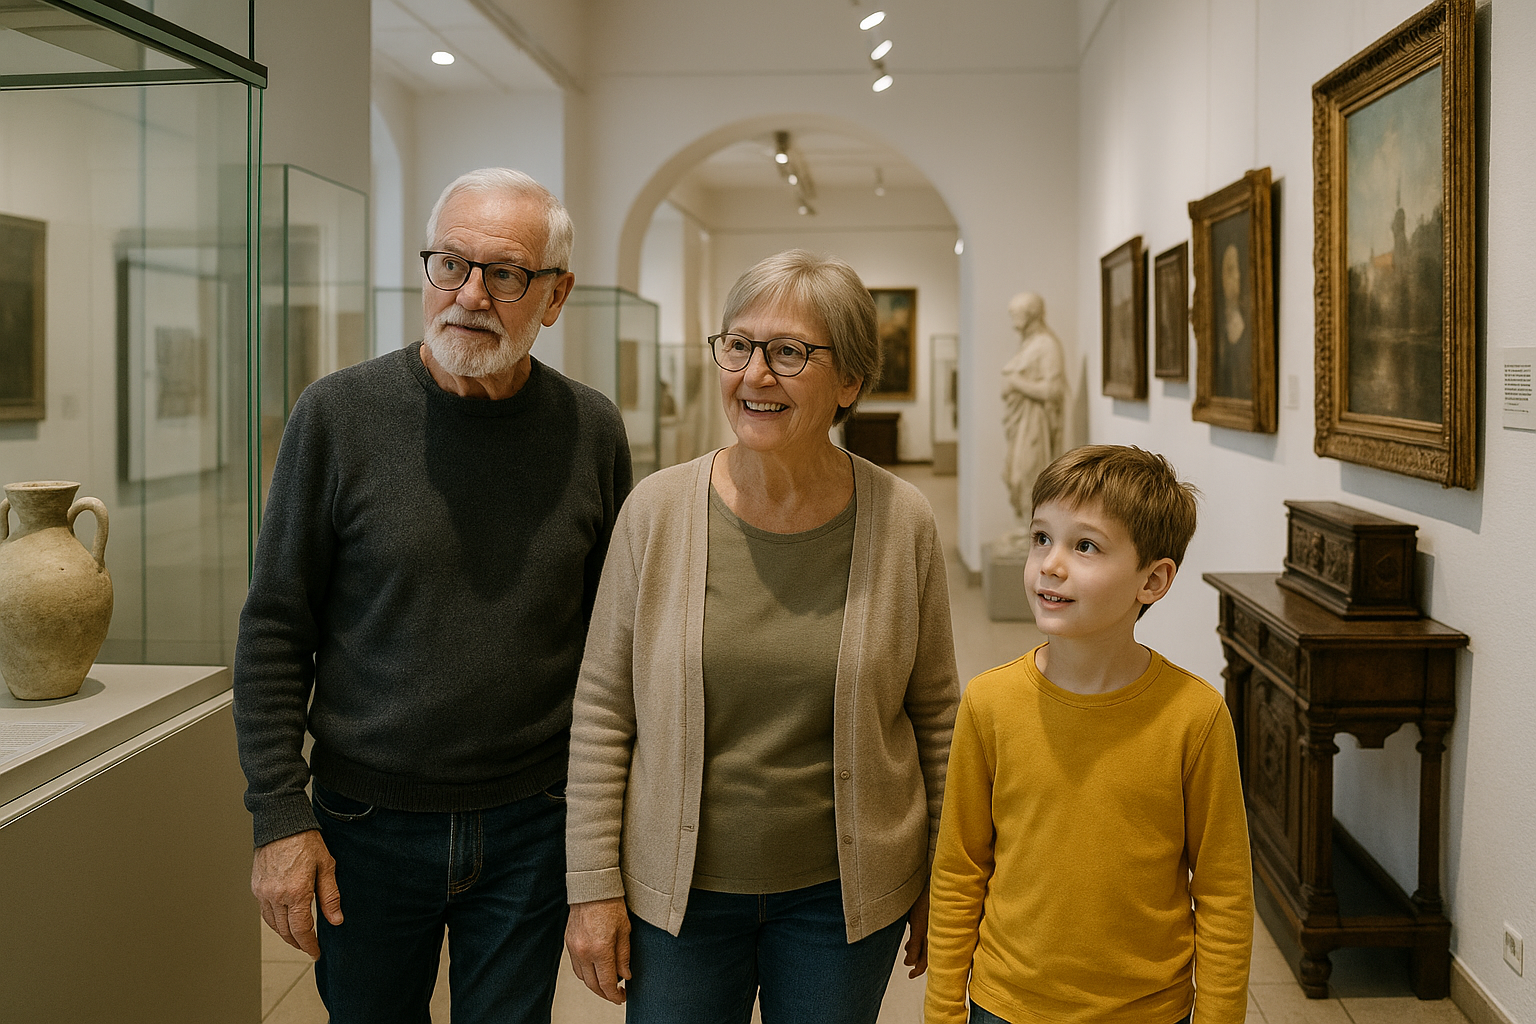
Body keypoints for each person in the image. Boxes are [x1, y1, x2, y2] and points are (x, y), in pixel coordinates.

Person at [233, 167, 631, 1024]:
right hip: (364, 823)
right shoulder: (337, 416)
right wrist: (279, 815)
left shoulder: (590, 430)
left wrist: (603, 842)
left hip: (533, 822)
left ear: (555, 297)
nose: (470, 295)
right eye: (450, 264)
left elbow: (613, 646)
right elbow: (273, 629)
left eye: (506, 274)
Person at [563, 249, 960, 1023]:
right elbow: (605, 710)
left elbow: (938, 718)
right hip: (679, 901)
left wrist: (941, 877)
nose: (755, 375)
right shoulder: (657, 511)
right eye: (739, 345)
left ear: (850, 381)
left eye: (789, 353)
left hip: (841, 903)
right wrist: (593, 885)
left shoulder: (901, 519)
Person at [926, 445, 1253, 1024]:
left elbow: (1224, 891)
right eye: (1041, 538)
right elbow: (959, 870)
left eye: (1085, 546)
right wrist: (944, 1008)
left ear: (1153, 579)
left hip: (1147, 1011)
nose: (1050, 565)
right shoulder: (989, 702)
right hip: (1006, 1004)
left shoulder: (1195, 717)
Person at [1000, 292, 1066, 526]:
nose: (1012, 319)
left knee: (1027, 476)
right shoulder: (1028, 345)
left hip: (1036, 425)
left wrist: (1017, 383)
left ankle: (1035, 531)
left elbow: (1053, 390)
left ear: (1030, 314)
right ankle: (1025, 530)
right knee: (1013, 476)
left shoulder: (1046, 346)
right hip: (1020, 424)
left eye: (1015, 314)